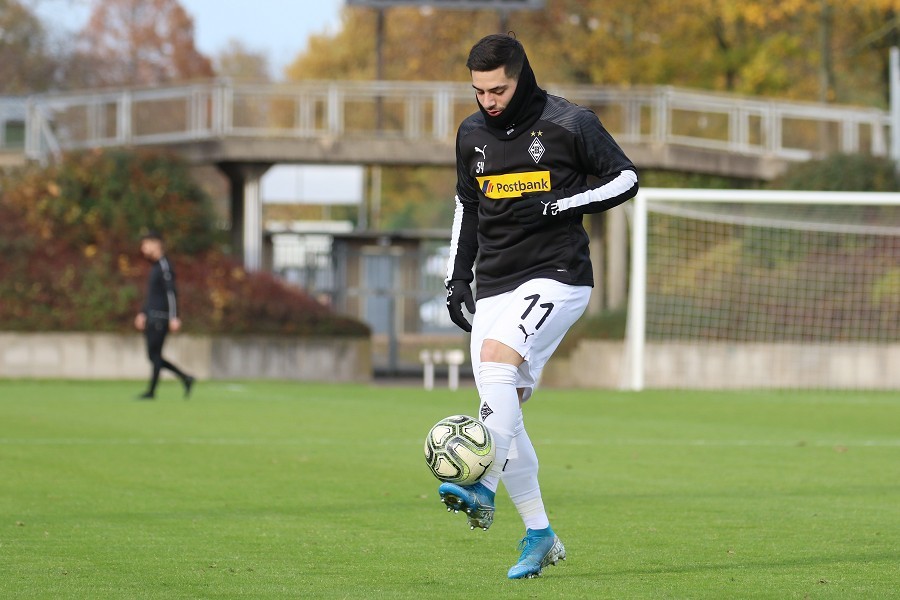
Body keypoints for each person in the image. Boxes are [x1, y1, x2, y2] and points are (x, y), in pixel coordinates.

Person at [440, 34, 638, 579]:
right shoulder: (471, 133)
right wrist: (457, 278)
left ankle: (481, 486)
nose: (488, 101)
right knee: (503, 406)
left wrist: (560, 204)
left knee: (498, 362)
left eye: (498, 90)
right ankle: (540, 533)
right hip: (495, 283)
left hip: (558, 274)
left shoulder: (570, 122)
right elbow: (466, 207)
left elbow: (625, 178)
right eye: (479, 91)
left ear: (521, 77)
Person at [134, 231, 195, 400]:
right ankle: (185, 378)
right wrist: (143, 313)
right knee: (154, 356)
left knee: (154, 355)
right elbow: (152, 296)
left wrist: (174, 317)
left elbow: (171, 293)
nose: (143, 249)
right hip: (152, 316)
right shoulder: (155, 267)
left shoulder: (165, 265)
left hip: (160, 317)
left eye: (145, 244)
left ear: (156, 244)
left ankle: (153, 391)